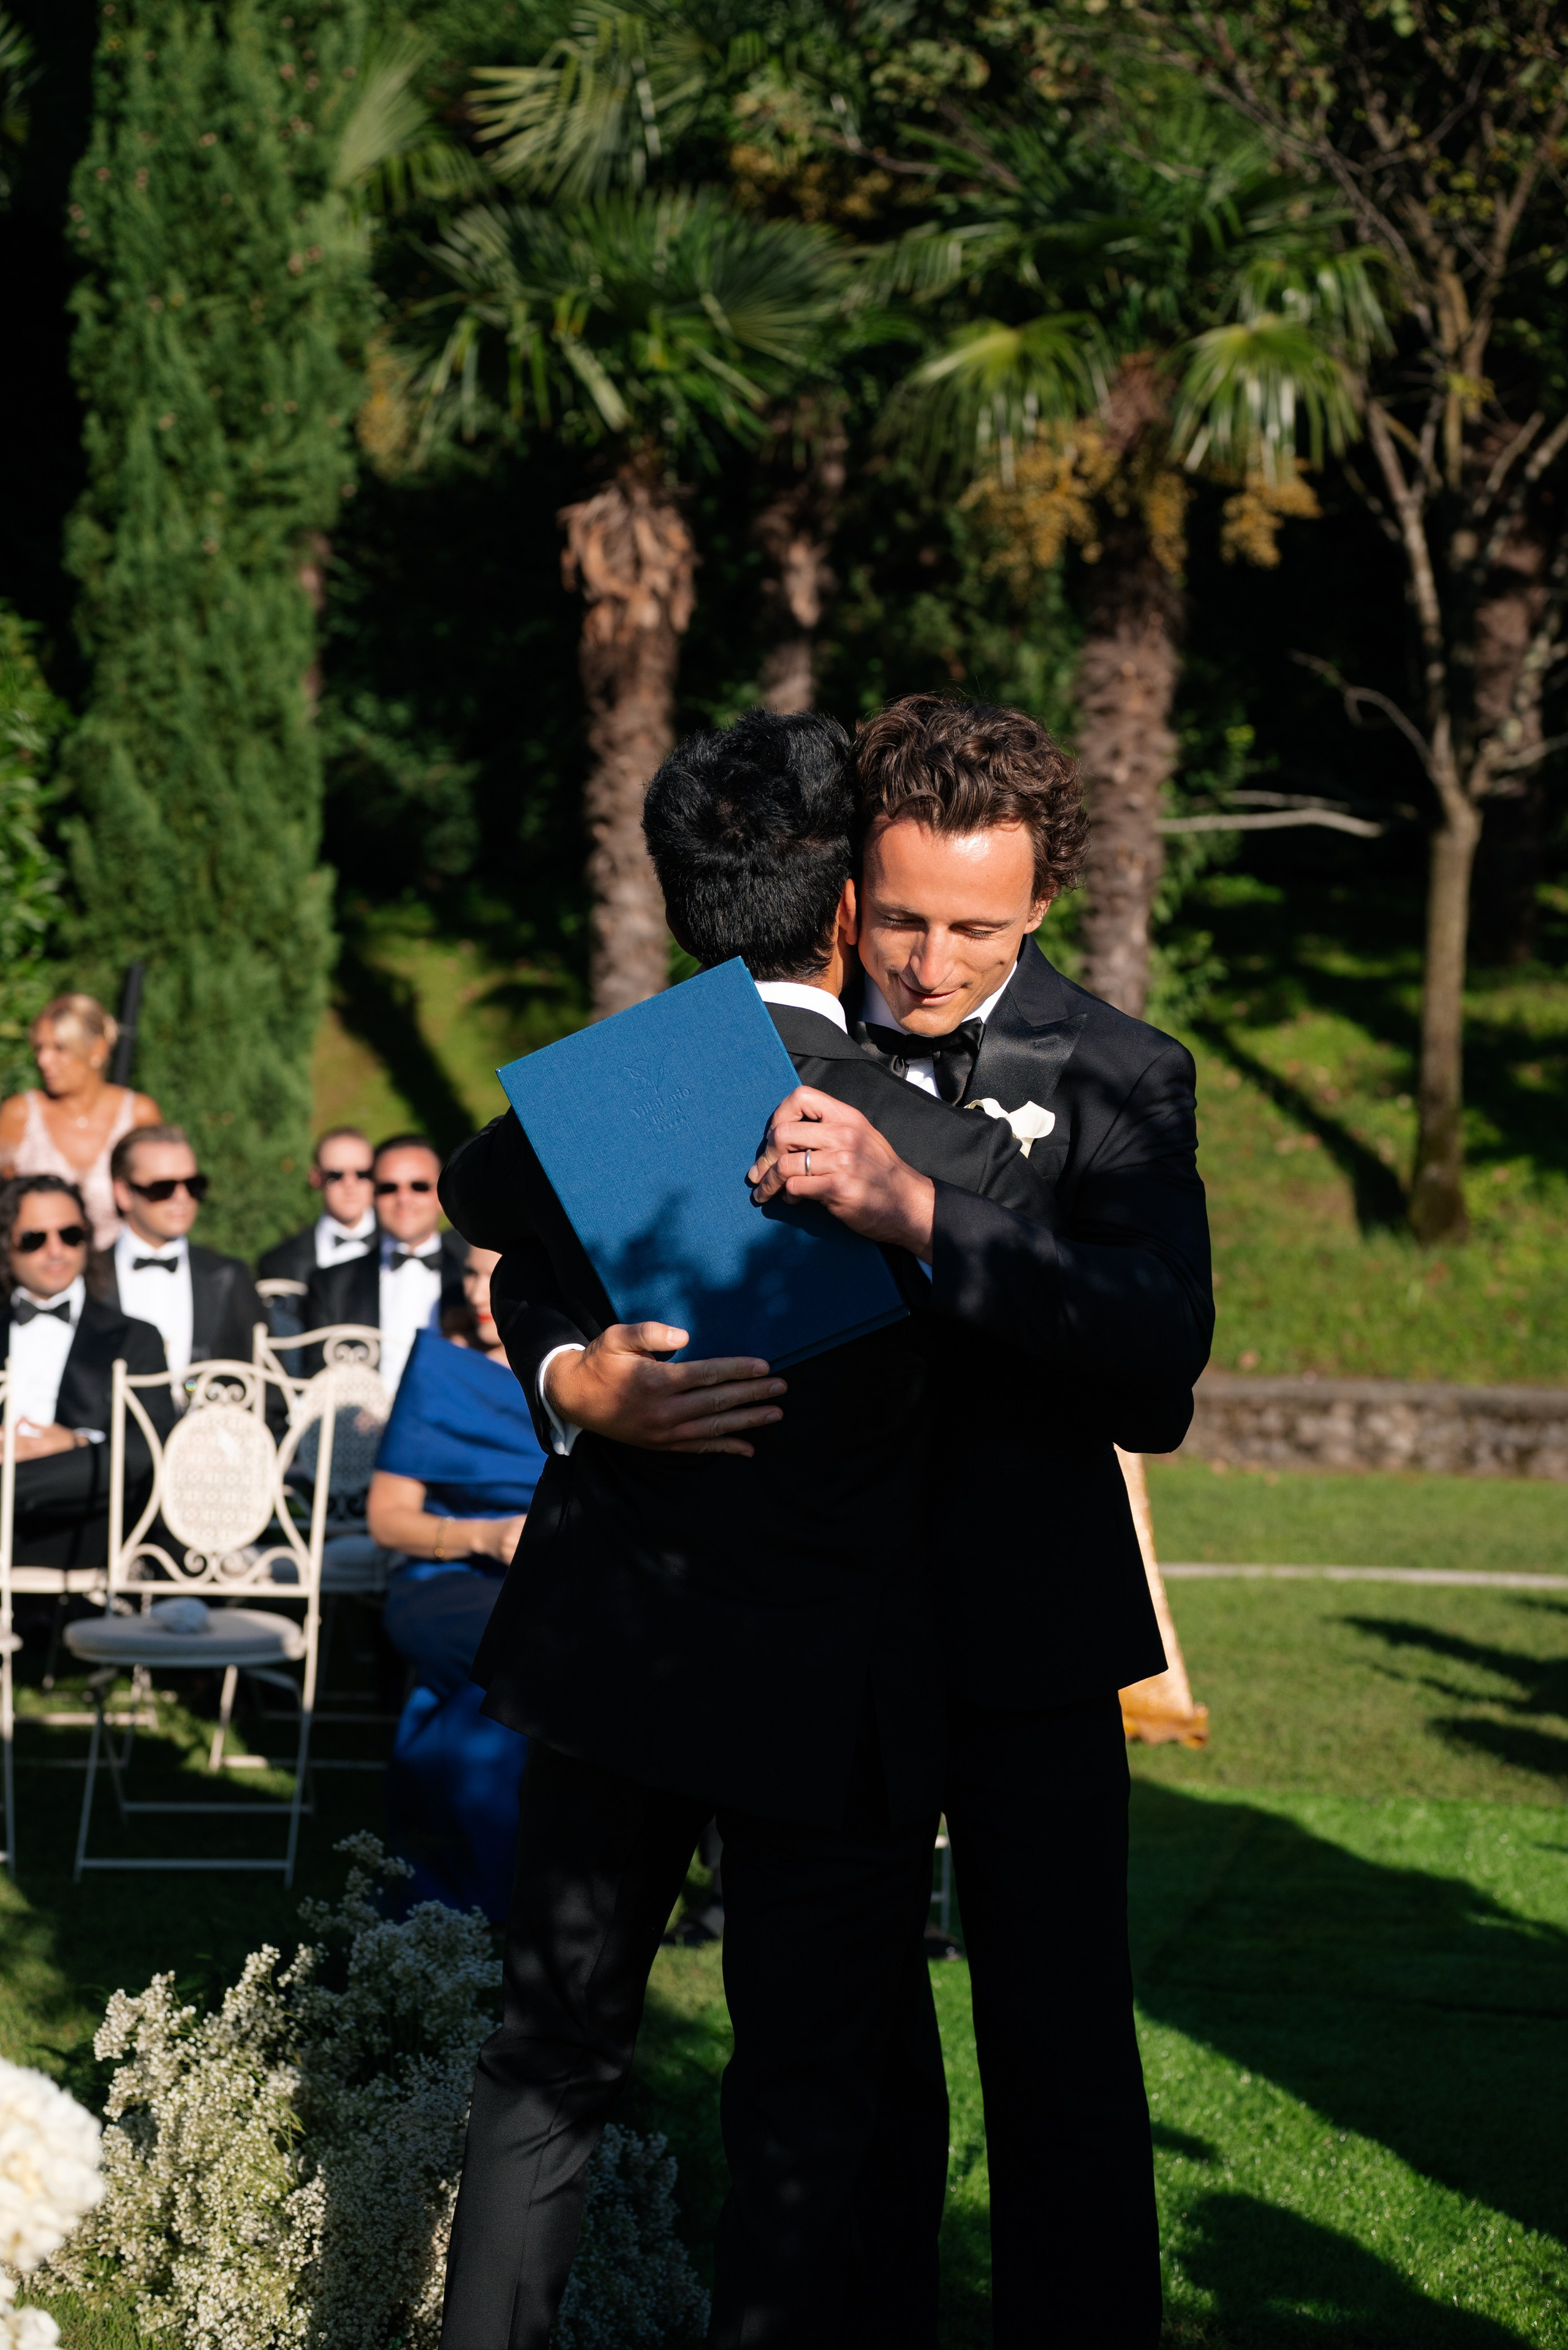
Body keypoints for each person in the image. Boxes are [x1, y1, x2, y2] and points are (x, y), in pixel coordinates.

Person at [436, 709, 1056, 2350]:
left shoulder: (605, 1102)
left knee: (548, 2057)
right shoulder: (939, 1145)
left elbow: (485, 1206)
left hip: (612, 1659)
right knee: (802, 2095)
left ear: (669, 889)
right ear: (850, 901)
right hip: (833, 1687)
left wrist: (564, 1371)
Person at [744, 693, 1214, 2348]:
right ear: (850, 887)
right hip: (817, 1626)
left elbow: (1156, 1363)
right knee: (829, 2045)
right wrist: (581, 1372)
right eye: (904, 919)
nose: (930, 961)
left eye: (979, 928)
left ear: (1042, 909)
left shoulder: (1124, 1073)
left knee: (1062, 2046)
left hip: (1027, 1624)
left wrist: (919, 1209)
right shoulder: (763, 1042)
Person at [368, 1246, 544, 1924]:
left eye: (497, 1271)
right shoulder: (440, 1369)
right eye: (469, 1271)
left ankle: (462, 1889)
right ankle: (480, 1891)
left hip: (557, 1583)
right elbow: (388, 1519)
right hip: (444, 1578)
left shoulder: (588, 1368)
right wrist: (486, 1536)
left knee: (533, 1667)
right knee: (518, 1662)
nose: (478, 1288)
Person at [0, 1173, 174, 1567]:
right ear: (5, 1244)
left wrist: (75, 1443)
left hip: (86, 1523)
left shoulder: (136, 1337)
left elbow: (154, 1445)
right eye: (34, 1239)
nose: (56, 1251)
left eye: (71, 1235)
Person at [304, 1134, 468, 1395]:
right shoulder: (330, 1285)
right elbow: (318, 1382)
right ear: (373, 1195)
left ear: (441, 1194)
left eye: (419, 1186)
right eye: (389, 1188)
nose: (404, 1198)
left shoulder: (477, 1279)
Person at [0, 994, 161, 1252]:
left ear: (98, 1049)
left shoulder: (139, 1114)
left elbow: (158, 1203)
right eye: (39, 1048)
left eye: (59, 1049)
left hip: (116, 1276)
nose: (44, 1061)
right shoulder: (19, 1114)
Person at [105, 1125, 267, 1381]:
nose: (182, 1197)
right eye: (163, 1188)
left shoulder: (229, 1276)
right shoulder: (88, 1279)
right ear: (124, 1194)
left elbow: (266, 1385)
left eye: (193, 1185)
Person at [257, 1126, 378, 1288]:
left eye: (363, 1174)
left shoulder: (407, 1249)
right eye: (336, 1175)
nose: (350, 1184)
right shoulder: (278, 1264)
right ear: (316, 1178)